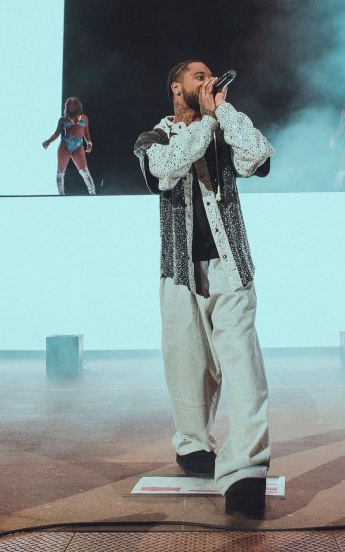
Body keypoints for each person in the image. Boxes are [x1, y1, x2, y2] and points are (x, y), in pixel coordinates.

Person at [133, 61, 274, 519]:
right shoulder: (153, 138)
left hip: (232, 268)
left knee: (242, 367)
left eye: (211, 75)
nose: (207, 81)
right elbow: (165, 171)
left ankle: (246, 472)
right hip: (179, 272)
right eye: (198, 76)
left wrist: (223, 114)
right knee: (187, 364)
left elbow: (256, 156)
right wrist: (207, 121)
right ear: (176, 87)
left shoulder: (223, 127)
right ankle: (193, 444)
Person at [42, 97, 96, 195]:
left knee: (84, 171)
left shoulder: (84, 118)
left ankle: (93, 193)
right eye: (69, 104)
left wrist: (89, 143)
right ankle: (61, 194)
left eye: (73, 104)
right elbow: (56, 133)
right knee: (60, 172)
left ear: (77, 105)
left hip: (78, 145)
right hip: (65, 145)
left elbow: (86, 133)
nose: (71, 105)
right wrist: (48, 141)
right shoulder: (63, 119)